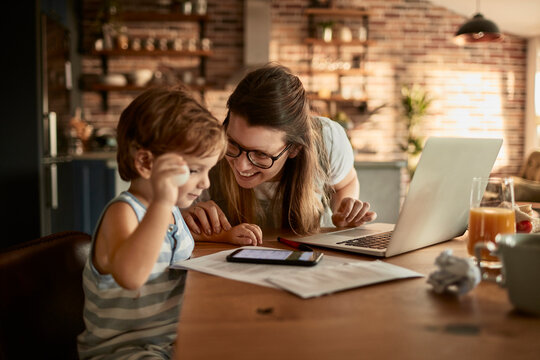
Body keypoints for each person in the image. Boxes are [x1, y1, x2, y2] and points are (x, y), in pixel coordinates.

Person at [77, 86, 261, 360]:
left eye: (208, 170)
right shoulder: (123, 213)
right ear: (145, 163)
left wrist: (225, 237)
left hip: (172, 341)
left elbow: (171, 244)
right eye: (194, 170)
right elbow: (131, 275)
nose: (206, 182)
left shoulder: (171, 212)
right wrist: (163, 203)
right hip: (125, 351)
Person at [183, 63, 376, 242]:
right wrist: (180, 215)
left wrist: (343, 214)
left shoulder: (327, 139)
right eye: (232, 143)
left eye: (260, 154)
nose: (241, 165)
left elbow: (346, 182)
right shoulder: (208, 147)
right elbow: (166, 215)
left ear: (294, 148)